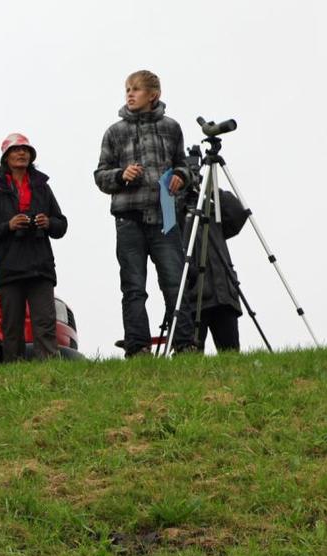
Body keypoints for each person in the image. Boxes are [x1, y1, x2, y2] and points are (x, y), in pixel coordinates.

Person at [94, 70, 196, 357]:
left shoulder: (172, 128)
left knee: (175, 282)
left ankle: (184, 343)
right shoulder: (114, 132)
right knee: (134, 286)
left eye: (136, 89)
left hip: (165, 217)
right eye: (127, 88)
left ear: (154, 95)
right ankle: (137, 347)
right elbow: (100, 175)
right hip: (129, 220)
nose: (130, 93)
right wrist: (120, 174)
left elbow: (185, 167)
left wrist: (181, 175)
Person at [0, 134, 67, 362]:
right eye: (16, 150)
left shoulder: (43, 188)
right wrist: (8, 225)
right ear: (6, 157)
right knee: (11, 328)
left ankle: (50, 373)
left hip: (40, 267)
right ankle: (14, 375)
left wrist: (49, 223)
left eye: (26, 150)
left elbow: (61, 224)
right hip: (10, 269)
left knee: (45, 324)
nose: (22, 153)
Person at [180, 187, 247, 352]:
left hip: (223, 294)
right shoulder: (172, 212)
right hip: (192, 297)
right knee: (190, 358)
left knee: (231, 356)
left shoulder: (209, 209)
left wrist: (210, 188)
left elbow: (238, 214)